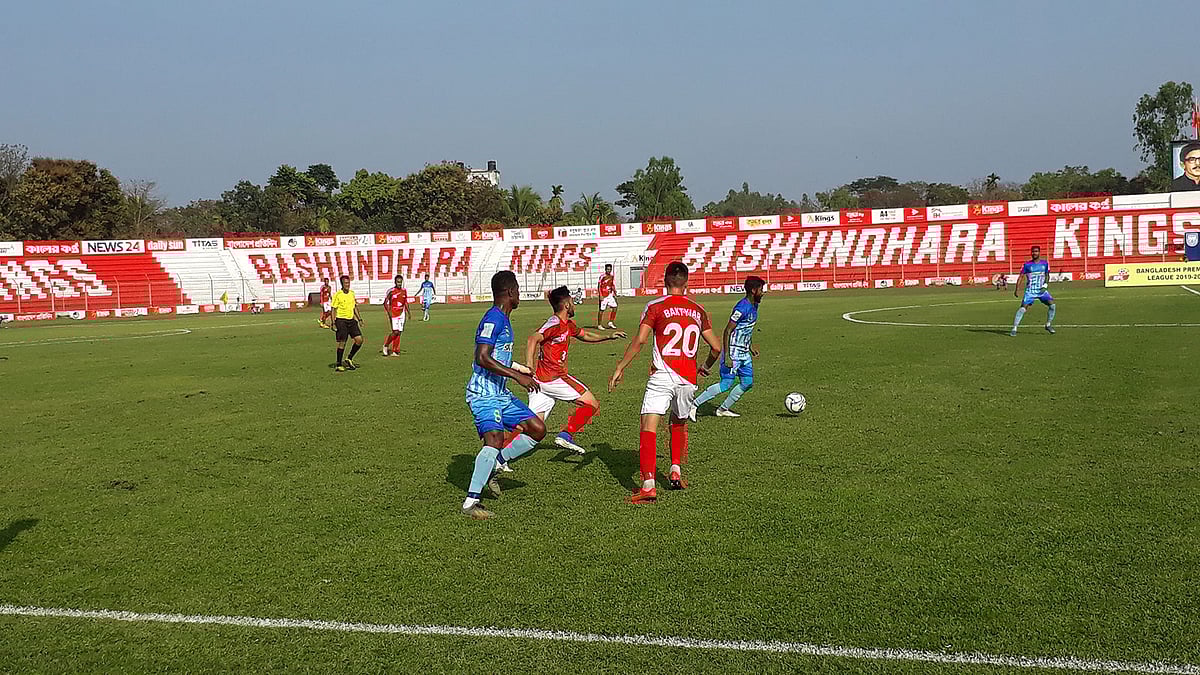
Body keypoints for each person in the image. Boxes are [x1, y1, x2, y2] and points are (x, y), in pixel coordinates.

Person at [610, 262, 722, 504]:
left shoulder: (655, 306)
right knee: (678, 423)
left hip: (662, 374)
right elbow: (716, 347)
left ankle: (649, 484)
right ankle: (675, 471)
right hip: (687, 378)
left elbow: (640, 341)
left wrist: (620, 367)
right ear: (687, 282)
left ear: (664, 280)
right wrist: (705, 367)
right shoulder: (698, 310)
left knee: (649, 424)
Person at [462, 271, 547, 520]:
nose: (519, 295)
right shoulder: (494, 318)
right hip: (484, 393)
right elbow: (482, 357)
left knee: (537, 429)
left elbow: (498, 355)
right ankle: (471, 502)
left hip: (500, 392)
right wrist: (515, 375)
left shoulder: (504, 319)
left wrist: (520, 370)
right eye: (518, 290)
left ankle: (496, 463)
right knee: (495, 438)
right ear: (510, 292)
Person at [525, 286, 627, 455]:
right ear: (566, 305)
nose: (574, 304)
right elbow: (532, 339)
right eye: (572, 301)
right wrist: (529, 367)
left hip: (542, 382)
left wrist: (608, 336)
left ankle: (498, 456)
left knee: (532, 427)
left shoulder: (567, 325)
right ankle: (566, 434)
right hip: (553, 377)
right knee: (592, 403)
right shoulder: (555, 323)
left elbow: (585, 335)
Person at [694, 276, 764, 417]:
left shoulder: (754, 306)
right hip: (734, 352)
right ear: (753, 290)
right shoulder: (741, 307)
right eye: (761, 289)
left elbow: (746, 329)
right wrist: (727, 356)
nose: (763, 293)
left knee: (747, 382)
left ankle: (722, 409)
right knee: (725, 384)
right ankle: (694, 405)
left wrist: (750, 346)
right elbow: (728, 330)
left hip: (744, 353)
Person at [1010, 246, 1056, 337]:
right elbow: (1021, 277)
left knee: (1052, 305)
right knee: (1023, 309)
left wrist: (1046, 284)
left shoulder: (1045, 263)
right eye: (1033, 252)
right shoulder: (1027, 265)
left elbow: (1047, 275)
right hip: (1030, 291)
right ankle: (1014, 328)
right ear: (1031, 253)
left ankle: (1048, 324)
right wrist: (1016, 289)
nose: (1034, 253)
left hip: (1041, 290)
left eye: (1036, 251)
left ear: (1039, 252)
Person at [331, 275, 366, 371]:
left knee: (359, 340)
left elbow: (354, 307)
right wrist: (333, 323)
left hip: (351, 320)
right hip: (341, 320)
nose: (347, 285)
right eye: (345, 283)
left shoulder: (351, 293)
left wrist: (359, 319)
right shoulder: (337, 295)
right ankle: (338, 364)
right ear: (342, 284)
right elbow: (333, 309)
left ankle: (349, 358)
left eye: (348, 283)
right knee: (343, 342)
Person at [381, 276, 410, 357]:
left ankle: (395, 351)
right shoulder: (391, 291)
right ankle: (386, 345)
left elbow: (405, 302)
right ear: (395, 282)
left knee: (399, 332)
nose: (399, 284)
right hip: (393, 313)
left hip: (402, 313)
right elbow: (385, 302)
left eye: (400, 282)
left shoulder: (404, 291)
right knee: (395, 332)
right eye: (398, 282)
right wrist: (389, 312)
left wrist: (409, 312)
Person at [597, 263, 618, 329]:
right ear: (605, 269)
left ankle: (610, 322)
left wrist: (614, 291)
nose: (609, 270)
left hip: (609, 295)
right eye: (607, 269)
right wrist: (600, 295)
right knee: (601, 310)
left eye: (610, 269)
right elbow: (599, 286)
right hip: (603, 295)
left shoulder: (612, 276)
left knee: (615, 307)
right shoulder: (602, 276)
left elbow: (612, 285)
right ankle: (599, 325)